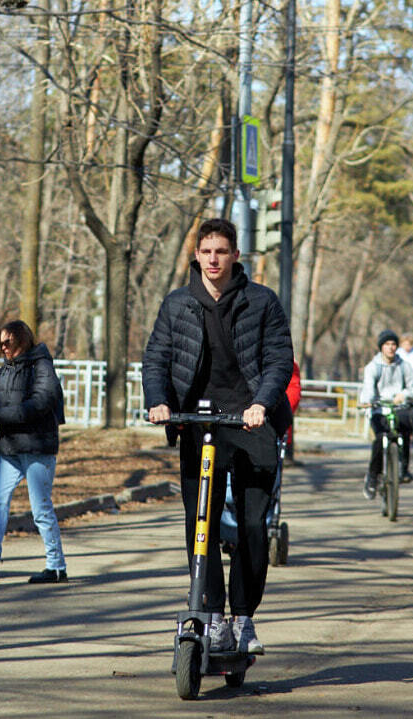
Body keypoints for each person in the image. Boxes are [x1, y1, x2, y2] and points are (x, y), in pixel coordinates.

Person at [143, 217, 293, 655]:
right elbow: (157, 358)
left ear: (235, 256)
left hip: (251, 423)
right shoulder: (177, 304)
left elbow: (278, 359)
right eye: (206, 251)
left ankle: (243, 619)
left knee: (251, 525)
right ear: (196, 254)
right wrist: (160, 401)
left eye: (221, 251)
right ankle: (208, 613)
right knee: (200, 525)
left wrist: (262, 404)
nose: (213, 259)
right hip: (199, 424)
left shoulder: (262, 301)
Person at [0, 320, 68, 585]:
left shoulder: (42, 366)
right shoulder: (2, 373)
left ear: (22, 340)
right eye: (1, 343)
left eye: (8, 342)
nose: (3, 347)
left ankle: (56, 567)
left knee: (40, 508)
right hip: (10, 448)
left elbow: (41, 402)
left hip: (38, 447)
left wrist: (1, 416)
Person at [359, 329, 413, 499]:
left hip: (399, 408)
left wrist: (405, 395)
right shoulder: (373, 367)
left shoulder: (404, 366)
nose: (391, 347)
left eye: (394, 344)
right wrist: (368, 401)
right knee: (380, 439)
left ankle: (404, 469)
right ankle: (372, 477)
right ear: (381, 347)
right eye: (387, 344)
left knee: (406, 430)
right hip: (379, 409)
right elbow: (368, 388)